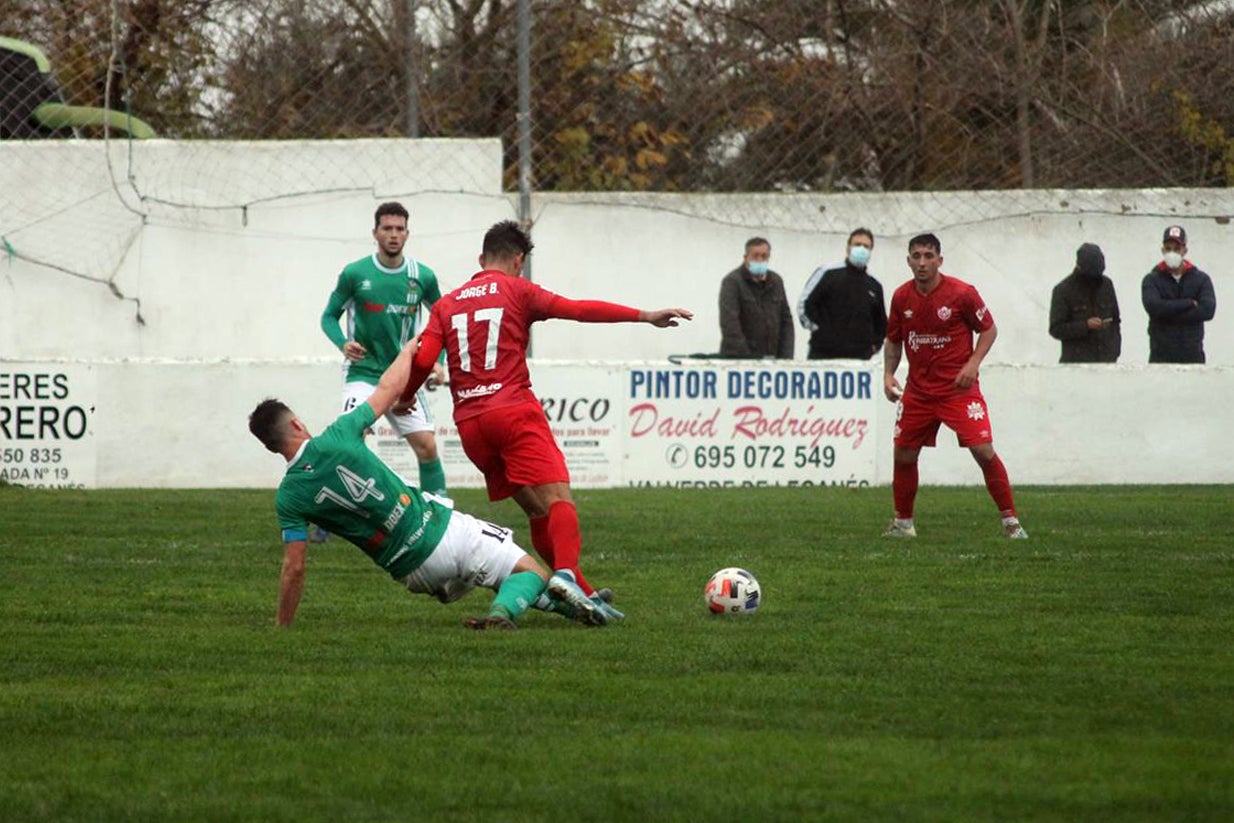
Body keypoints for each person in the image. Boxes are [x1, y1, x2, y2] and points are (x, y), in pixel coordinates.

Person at [395, 220, 692, 622]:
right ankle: (566, 575)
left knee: (537, 512)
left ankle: (585, 594)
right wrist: (645, 316)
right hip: (512, 411)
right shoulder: (519, 290)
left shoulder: (446, 304)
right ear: (519, 261)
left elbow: (426, 358)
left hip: (471, 426)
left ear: (481, 259)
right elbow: (578, 310)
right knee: (559, 501)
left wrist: (408, 395)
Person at [247, 339, 604, 630]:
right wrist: (409, 351)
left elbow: (294, 566)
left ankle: (584, 611)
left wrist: (282, 624)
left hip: (410, 572)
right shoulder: (339, 435)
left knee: (499, 572)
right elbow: (388, 388)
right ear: (296, 424)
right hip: (438, 531)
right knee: (535, 571)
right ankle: (502, 615)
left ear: (269, 446)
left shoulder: (289, 497)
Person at [881, 233, 1027, 540]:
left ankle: (1011, 522)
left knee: (982, 450)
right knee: (904, 454)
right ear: (908, 261)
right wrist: (888, 374)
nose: (922, 263)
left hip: (958, 390)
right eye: (916, 256)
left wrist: (972, 364)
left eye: (928, 256)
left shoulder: (961, 293)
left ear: (939, 260)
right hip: (918, 391)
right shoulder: (901, 297)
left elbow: (989, 329)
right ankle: (903, 524)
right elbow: (894, 339)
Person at [320, 201, 448, 501]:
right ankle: (326, 518)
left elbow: (443, 318)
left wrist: (438, 360)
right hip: (363, 374)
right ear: (375, 233)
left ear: (407, 233)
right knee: (349, 444)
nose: (393, 235)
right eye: (387, 228)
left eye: (399, 229)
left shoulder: (422, 276)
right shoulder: (355, 273)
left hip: (402, 375)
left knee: (427, 446)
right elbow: (328, 316)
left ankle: (441, 513)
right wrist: (342, 343)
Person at [797, 228, 887, 359]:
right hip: (823, 356)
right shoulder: (827, 273)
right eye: (857, 245)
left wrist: (875, 345)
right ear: (848, 247)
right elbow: (804, 305)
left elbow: (881, 322)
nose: (861, 249)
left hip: (859, 361)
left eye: (866, 246)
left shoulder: (874, 285)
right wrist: (821, 332)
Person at [1141, 225, 1216, 363]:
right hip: (1161, 357)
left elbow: (1207, 310)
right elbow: (1154, 307)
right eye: (1168, 249)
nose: (1172, 252)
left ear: (1184, 250)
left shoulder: (1201, 279)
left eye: (1177, 249)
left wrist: (1168, 313)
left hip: (1193, 356)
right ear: (1163, 250)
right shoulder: (1151, 279)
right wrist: (1188, 303)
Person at [718, 237, 794, 358]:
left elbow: (786, 320)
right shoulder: (732, 282)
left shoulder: (776, 281)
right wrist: (748, 359)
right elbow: (730, 323)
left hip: (773, 358)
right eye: (755, 256)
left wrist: (786, 357)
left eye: (764, 256)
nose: (759, 260)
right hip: (739, 360)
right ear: (746, 258)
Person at [1048, 242, 1121, 363]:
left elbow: (1115, 320)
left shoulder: (1106, 284)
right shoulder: (1063, 290)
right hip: (1076, 365)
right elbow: (1056, 329)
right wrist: (1085, 325)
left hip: (1106, 363)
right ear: (1079, 267)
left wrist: (1115, 350)